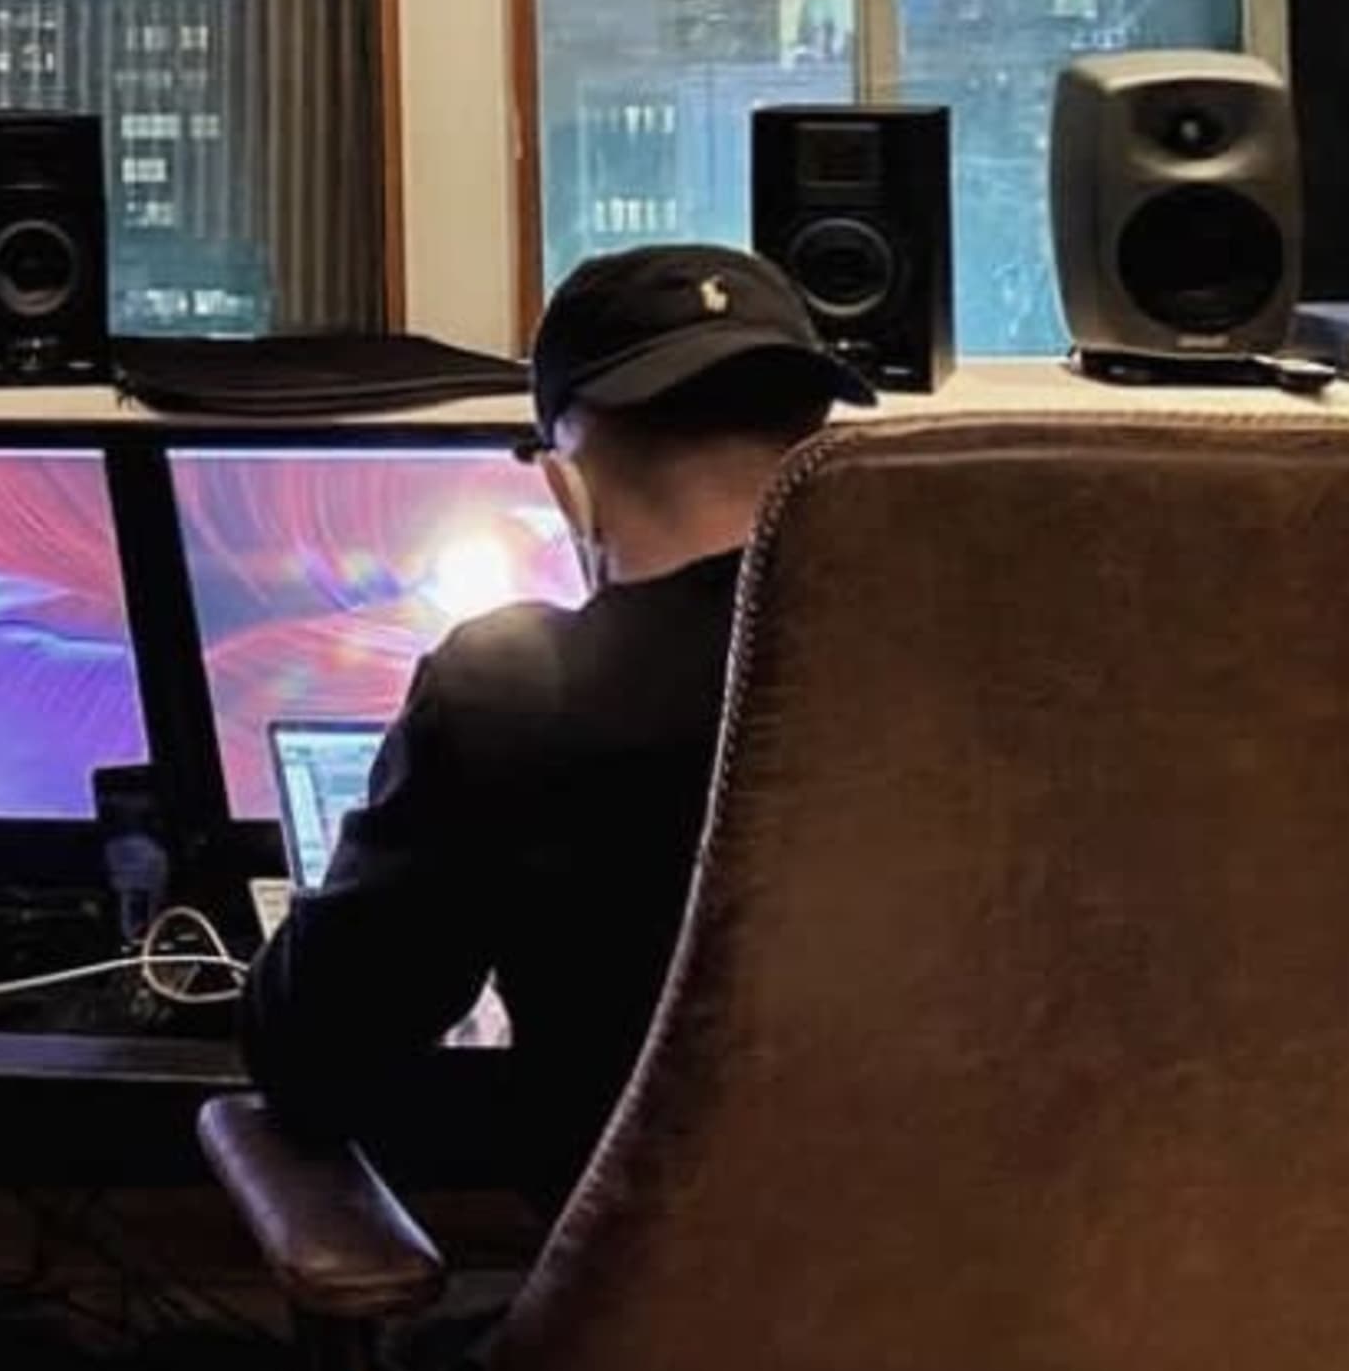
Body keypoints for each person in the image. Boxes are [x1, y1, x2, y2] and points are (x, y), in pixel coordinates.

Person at [240, 243, 876, 1212]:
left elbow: (317, 1054)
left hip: (635, 1344)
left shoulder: (510, 695)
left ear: (564, 488)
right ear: (819, 456)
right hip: (996, 1329)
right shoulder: (974, 676)